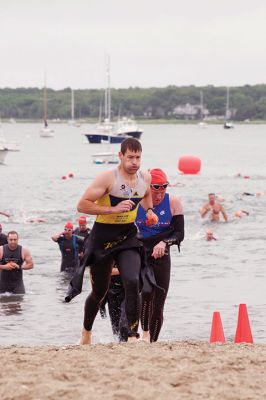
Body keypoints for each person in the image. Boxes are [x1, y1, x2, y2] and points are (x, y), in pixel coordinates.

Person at [75, 137, 157, 345]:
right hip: (102, 237)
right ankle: (86, 332)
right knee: (99, 292)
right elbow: (82, 205)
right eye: (130, 157)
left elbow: (147, 194)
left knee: (132, 281)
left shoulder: (144, 177)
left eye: (138, 157)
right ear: (120, 156)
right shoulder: (107, 178)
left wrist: (149, 211)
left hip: (127, 236)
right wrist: (112, 209)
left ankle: (132, 335)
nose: (134, 162)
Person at [135, 168, 184, 342]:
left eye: (163, 189)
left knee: (159, 303)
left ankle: (152, 342)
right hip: (139, 252)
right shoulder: (135, 200)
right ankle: (140, 334)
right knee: (145, 293)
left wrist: (165, 243)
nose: (160, 195)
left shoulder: (174, 203)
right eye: (156, 190)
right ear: (148, 188)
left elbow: (180, 234)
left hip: (161, 253)